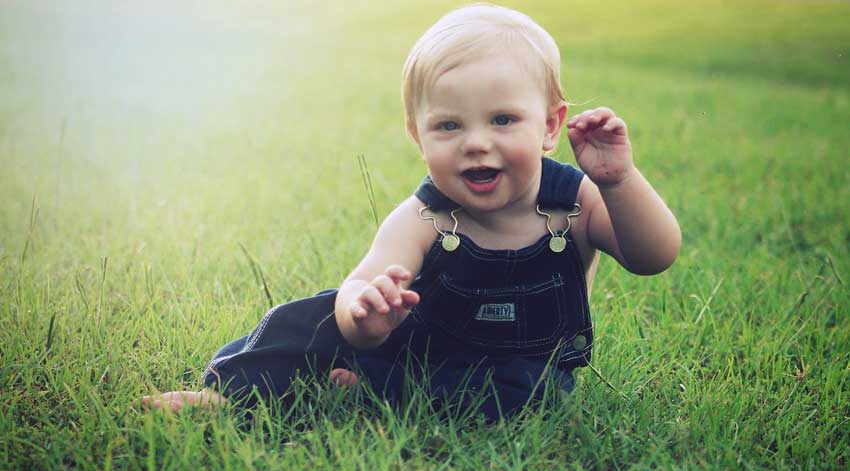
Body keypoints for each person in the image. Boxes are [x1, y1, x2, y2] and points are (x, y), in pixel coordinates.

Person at [142, 4, 680, 419]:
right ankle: (231, 393)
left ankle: (372, 391)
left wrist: (619, 182)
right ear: (418, 137)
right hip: (414, 347)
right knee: (313, 317)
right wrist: (364, 314)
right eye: (449, 125)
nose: (476, 142)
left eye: (502, 120)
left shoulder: (578, 202)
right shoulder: (424, 217)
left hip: (517, 371)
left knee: (534, 392)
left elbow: (653, 256)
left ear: (549, 126)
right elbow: (363, 280)